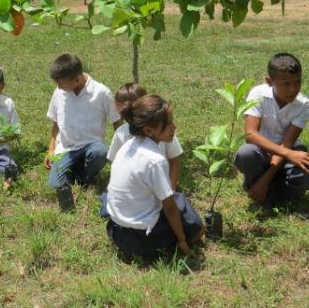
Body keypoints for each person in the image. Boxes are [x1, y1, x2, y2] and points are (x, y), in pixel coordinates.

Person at [105, 95, 204, 260]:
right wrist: (182, 241)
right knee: (193, 222)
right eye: (169, 123)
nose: (174, 126)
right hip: (143, 239)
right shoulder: (155, 160)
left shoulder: (127, 146)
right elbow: (169, 207)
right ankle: (167, 245)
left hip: (116, 232)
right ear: (149, 130)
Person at [234, 53, 309, 206]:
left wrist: (266, 179)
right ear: (269, 81)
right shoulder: (258, 94)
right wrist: (289, 154)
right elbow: (250, 135)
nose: (293, 89)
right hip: (262, 150)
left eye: (298, 82)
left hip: (288, 149)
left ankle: (267, 187)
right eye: (286, 84)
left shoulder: (304, 104)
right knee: (246, 154)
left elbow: (287, 143)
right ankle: (263, 189)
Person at [44, 53, 121, 211]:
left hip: (91, 147)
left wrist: (123, 152)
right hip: (66, 149)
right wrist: (51, 149)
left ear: (77, 79)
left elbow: (117, 122)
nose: (58, 87)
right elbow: (56, 123)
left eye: (61, 84)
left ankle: (85, 177)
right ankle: (74, 170)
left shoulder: (102, 93)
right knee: (55, 184)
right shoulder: (59, 93)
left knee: (100, 152)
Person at [107, 83, 183, 190]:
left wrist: (171, 189)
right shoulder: (121, 133)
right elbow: (116, 165)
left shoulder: (165, 132)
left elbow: (175, 162)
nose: (174, 127)